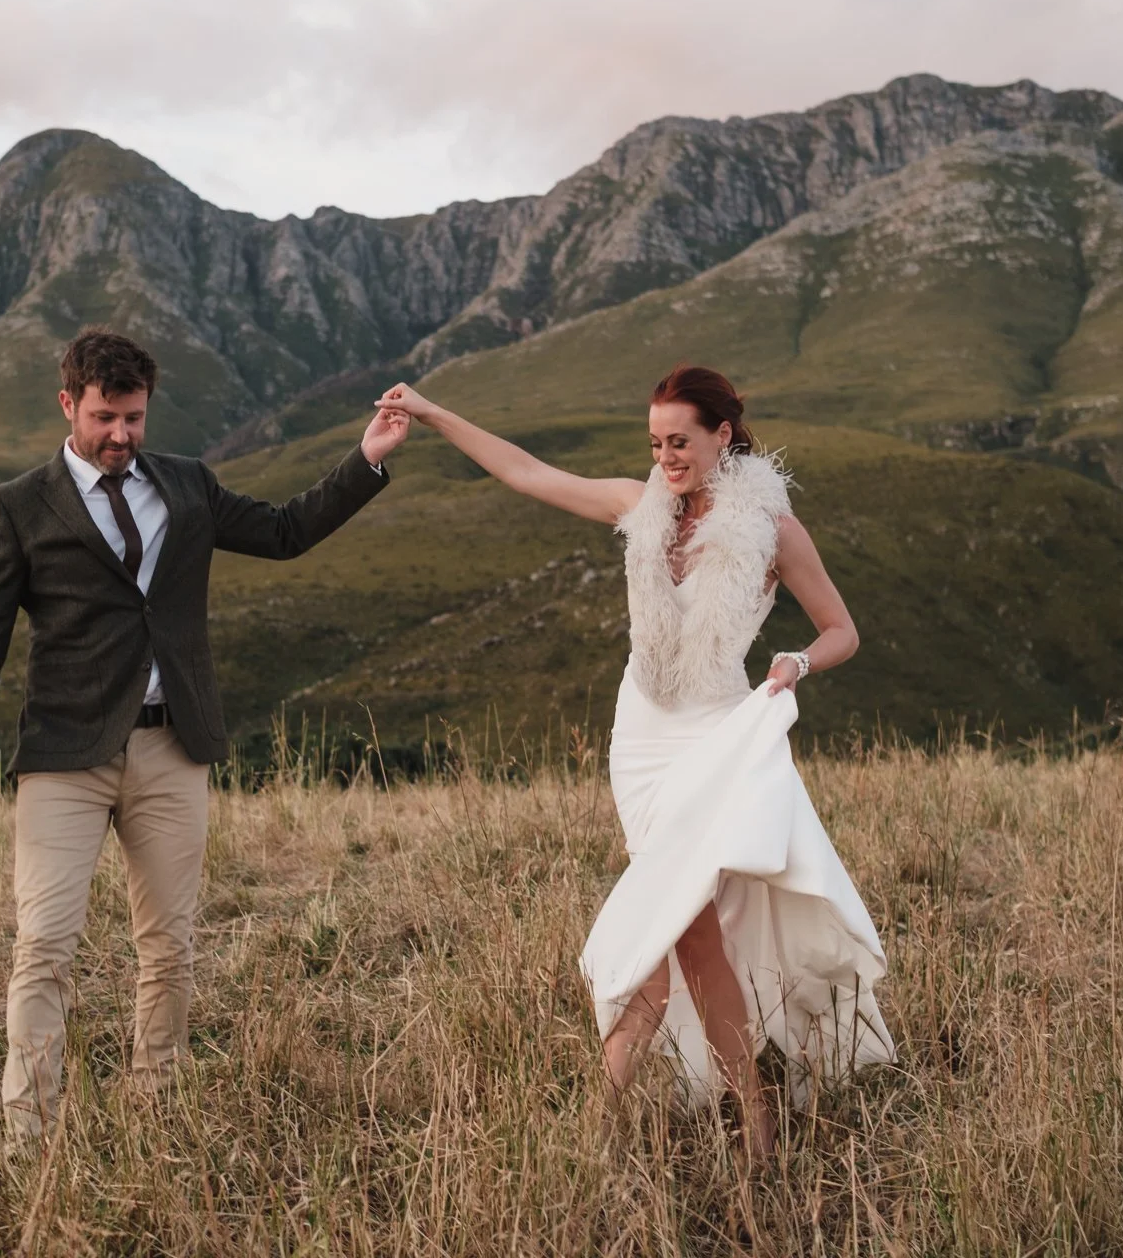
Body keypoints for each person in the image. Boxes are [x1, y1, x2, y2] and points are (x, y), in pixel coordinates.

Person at [375, 367, 892, 1151]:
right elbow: (525, 471)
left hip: (720, 739)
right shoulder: (638, 504)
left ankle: (617, 1117)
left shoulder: (774, 528)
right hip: (643, 741)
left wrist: (796, 663)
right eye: (655, 443)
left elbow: (843, 631)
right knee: (688, 931)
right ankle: (746, 1109)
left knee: (678, 928)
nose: (666, 458)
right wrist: (431, 412)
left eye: (680, 441)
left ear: (723, 434)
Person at [0, 326, 409, 1142]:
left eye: (136, 419)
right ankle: (31, 1137)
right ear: (68, 405)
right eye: (107, 417)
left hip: (171, 747)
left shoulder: (187, 486)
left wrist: (365, 461)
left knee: (171, 946)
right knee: (43, 945)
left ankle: (155, 1106)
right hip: (64, 757)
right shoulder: (14, 507)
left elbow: (285, 533)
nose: (122, 435)